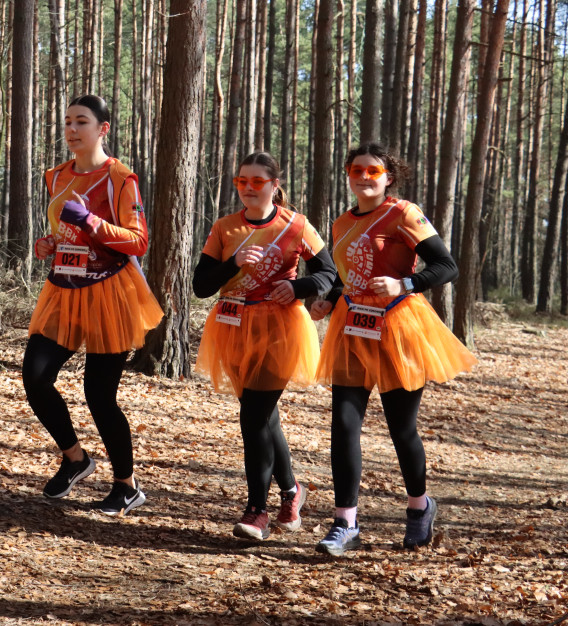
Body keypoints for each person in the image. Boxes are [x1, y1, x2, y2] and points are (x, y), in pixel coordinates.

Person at [310, 142, 476, 556]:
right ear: (348, 174)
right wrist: (327, 298)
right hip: (352, 328)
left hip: (399, 327)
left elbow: (446, 266)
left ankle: (420, 508)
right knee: (344, 426)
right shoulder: (341, 222)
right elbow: (343, 277)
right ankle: (345, 522)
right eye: (356, 170)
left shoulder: (404, 213)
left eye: (373, 171)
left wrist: (405, 283)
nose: (364, 177)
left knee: (402, 429)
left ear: (388, 177)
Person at [22, 94, 163, 516]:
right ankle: (75, 458)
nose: (71, 129)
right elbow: (57, 231)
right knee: (35, 376)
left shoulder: (120, 177)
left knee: (99, 396)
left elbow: (138, 240)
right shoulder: (56, 176)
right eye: (66, 122)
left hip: (109, 293)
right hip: (63, 290)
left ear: (102, 129)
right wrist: (47, 244)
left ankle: (126, 485)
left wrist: (90, 222)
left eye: (81, 122)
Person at [193, 151, 337, 541]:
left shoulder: (296, 225)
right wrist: (234, 263)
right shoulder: (224, 228)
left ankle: (257, 509)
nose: (249, 188)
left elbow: (328, 271)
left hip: (280, 328)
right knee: (261, 413)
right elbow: (201, 285)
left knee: (254, 416)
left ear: (275, 184)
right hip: (232, 326)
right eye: (242, 181)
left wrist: (298, 287)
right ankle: (292, 491)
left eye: (258, 181)